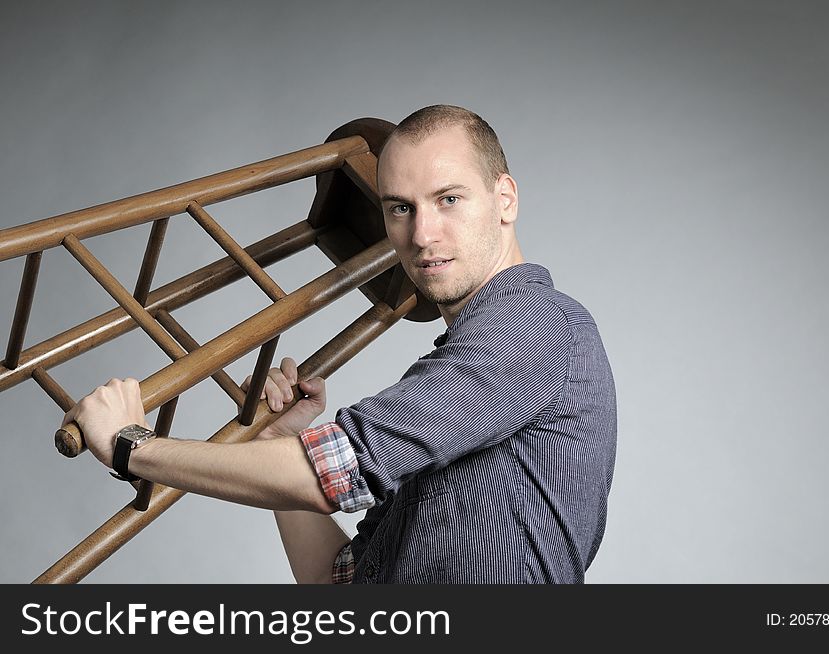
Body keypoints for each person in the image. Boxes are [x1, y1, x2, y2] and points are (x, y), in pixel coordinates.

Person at [65, 105, 617, 583]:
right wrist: (280, 436)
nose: (422, 234)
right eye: (401, 207)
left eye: (448, 199)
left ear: (505, 199)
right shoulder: (457, 376)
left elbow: (336, 470)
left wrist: (131, 447)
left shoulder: (537, 328)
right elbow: (340, 582)